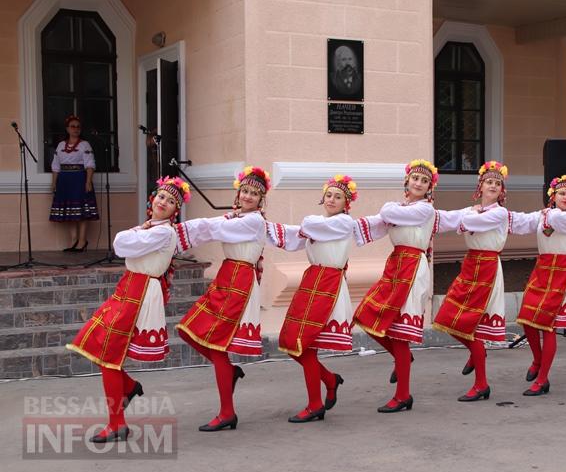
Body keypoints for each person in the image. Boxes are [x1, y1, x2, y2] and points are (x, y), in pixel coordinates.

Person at [66, 176, 190, 443]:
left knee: (109, 353)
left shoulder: (162, 232)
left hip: (140, 293)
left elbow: (120, 244)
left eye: (170, 201)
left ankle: (117, 422)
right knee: (101, 346)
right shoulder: (151, 228)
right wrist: (138, 230)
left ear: (175, 210)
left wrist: (137, 231)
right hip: (129, 288)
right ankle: (128, 389)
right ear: (152, 198)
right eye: (161, 197)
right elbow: (124, 243)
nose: (163, 202)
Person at [172, 166, 271, 432]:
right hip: (227, 276)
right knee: (188, 330)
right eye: (245, 191)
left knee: (215, 344)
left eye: (254, 193)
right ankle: (229, 372)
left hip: (239, 281)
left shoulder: (254, 221)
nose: (248, 196)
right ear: (238, 194)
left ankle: (227, 411)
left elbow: (216, 229)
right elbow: (217, 226)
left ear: (262, 200)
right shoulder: (234, 217)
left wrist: (177, 231)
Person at [267, 175, 360, 423]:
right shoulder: (320, 224)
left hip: (328, 285)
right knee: (293, 343)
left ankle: (315, 403)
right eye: (328, 195)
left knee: (305, 344)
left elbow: (308, 225)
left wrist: (302, 227)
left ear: (346, 203)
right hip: (312, 282)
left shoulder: (342, 223)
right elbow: (291, 238)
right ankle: (329, 380)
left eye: (338, 196)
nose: (331, 199)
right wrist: (259, 225)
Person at [353, 159, 439, 413]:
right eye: (415, 178)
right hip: (396, 265)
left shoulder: (425, 210)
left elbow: (388, 215)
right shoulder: (402, 207)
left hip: (412, 267)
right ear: (407, 181)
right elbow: (379, 222)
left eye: (424, 181)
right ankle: (402, 360)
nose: (419, 183)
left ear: (429, 188)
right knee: (366, 317)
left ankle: (403, 395)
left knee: (398, 332)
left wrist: (387, 211)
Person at [512, 175, 566, 396]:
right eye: (562, 193)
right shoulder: (543, 216)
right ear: (553, 195)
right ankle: (538, 359)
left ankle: (542, 379)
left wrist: (547, 214)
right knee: (527, 319)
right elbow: (519, 221)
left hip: (562, 272)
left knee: (548, 325)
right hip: (542, 269)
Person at [432, 162, 510, 402]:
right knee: (446, 317)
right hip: (471, 265)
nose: (493, 186)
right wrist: (427, 214)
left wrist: (468, 214)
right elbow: (448, 218)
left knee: (469, 323)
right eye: (489, 182)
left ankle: (481, 384)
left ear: (502, 190)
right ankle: (477, 352)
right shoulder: (472, 210)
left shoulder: (499, 213)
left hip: (487, 267)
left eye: (498, 183)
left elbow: (472, 222)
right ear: (481, 186)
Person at [49, 115, 99, 251]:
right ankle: (73, 241)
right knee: (70, 212)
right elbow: (55, 166)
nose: (75, 129)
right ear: (67, 129)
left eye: (78, 127)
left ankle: (82, 241)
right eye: (72, 126)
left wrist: (88, 181)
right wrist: (54, 183)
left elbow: (90, 164)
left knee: (81, 211)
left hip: (79, 179)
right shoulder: (60, 145)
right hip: (64, 180)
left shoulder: (84, 145)